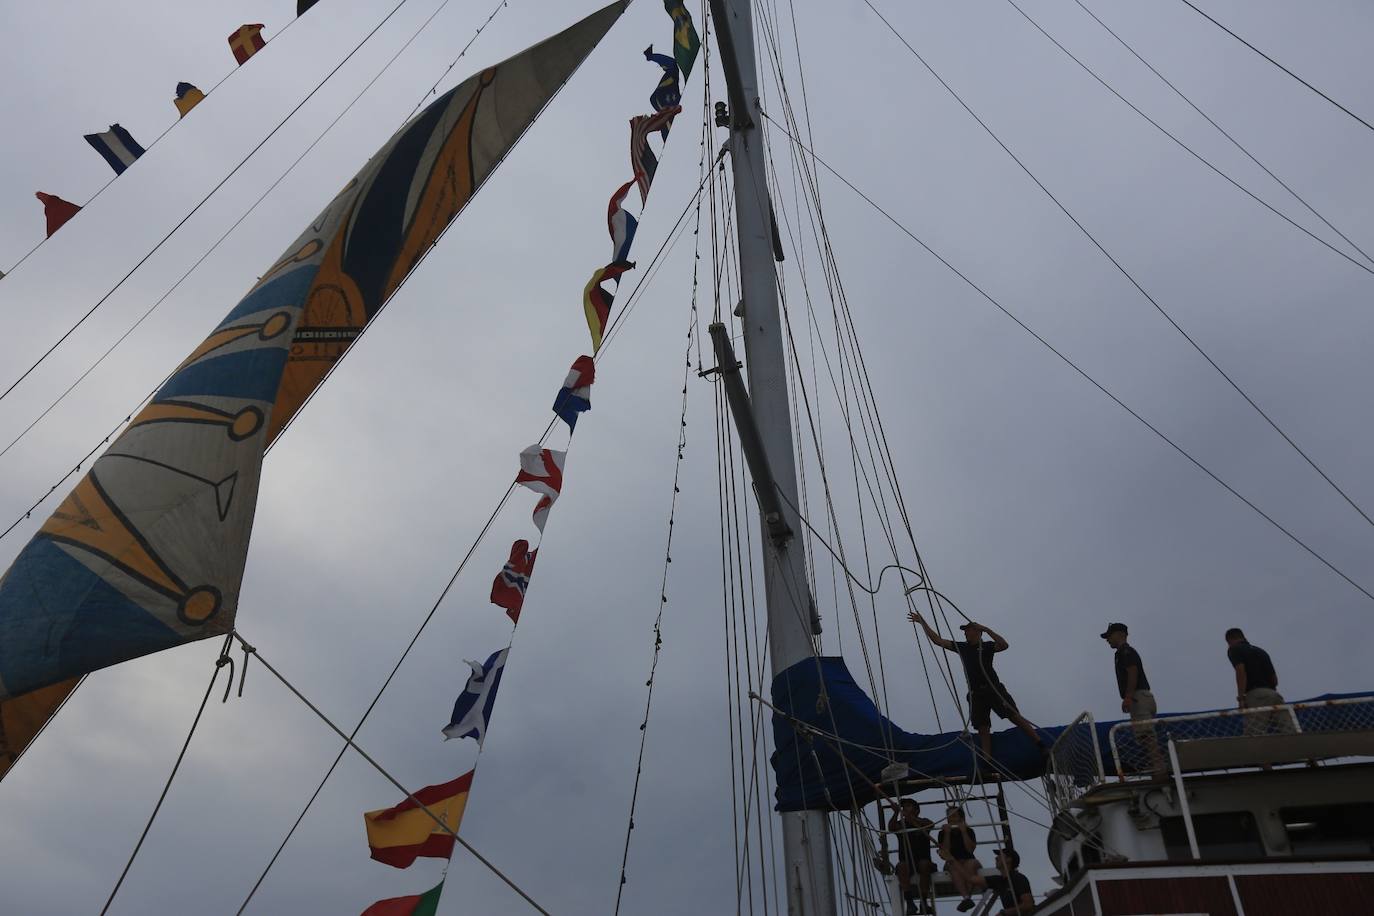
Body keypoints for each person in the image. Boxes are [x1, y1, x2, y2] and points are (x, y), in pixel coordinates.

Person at [909, 610, 1047, 761]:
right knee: (982, 726)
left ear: (977, 632)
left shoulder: (987, 646)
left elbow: (1004, 645)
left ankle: (1040, 744)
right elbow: (937, 640)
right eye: (965, 631)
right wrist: (922, 622)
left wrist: (987, 629)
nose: (965, 633)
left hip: (993, 688)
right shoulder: (962, 647)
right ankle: (987, 759)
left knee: (1013, 716)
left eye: (968, 630)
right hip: (975, 693)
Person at [1101, 622, 1164, 777]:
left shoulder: (1125, 651)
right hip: (1142, 697)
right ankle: (1157, 768)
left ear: (1119, 634)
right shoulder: (1123, 652)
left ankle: (1159, 771)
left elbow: (1132, 671)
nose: (1107, 639)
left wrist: (1128, 697)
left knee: (1146, 735)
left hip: (1138, 698)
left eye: (1110, 635)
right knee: (1145, 735)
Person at [1226, 628, 1294, 736]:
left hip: (1256, 696)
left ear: (1230, 641)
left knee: (1254, 735)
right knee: (1289, 732)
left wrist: (1241, 698)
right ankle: (1299, 750)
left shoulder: (1234, 649)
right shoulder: (1261, 651)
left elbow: (1241, 671)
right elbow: (1275, 680)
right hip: (1275, 695)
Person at [885, 798, 935, 914]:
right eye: (904, 807)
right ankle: (910, 903)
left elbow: (930, 825)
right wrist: (896, 813)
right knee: (901, 866)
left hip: (923, 860)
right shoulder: (900, 824)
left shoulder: (924, 821)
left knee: (924, 865)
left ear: (917, 810)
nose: (905, 808)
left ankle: (923, 902)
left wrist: (911, 819)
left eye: (908, 806)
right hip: (906, 861)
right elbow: (891, 828)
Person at [937, 806, 982, 912]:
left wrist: (964, 832)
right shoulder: (942, 833)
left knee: (970, 865)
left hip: (968, 859)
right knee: (953, 867)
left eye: (954, 816)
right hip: (952, 861)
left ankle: (967, 898)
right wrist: (947, 833)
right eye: (949, 816)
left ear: (961, 818)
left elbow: (970, 850)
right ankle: (966, 898)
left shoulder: (969, 831)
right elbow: (945, 852)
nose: (951, 818)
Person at [983, 848, 1035, 916]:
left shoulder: (1018, 878)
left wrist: (1004, 913)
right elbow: (972, 879)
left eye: (1000, 855)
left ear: (1008, 859)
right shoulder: (999, 880)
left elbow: (1028, 905)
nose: (996, 858)